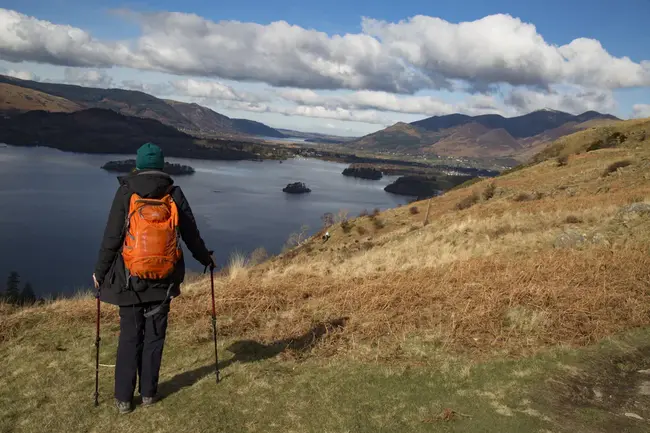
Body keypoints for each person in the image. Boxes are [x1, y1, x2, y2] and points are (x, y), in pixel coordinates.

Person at [92, 142, 215, 414]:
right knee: (154, 337)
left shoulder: (126, 192)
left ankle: (124, 400)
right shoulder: (174, 193)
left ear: (138, 164)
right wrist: (206, 259)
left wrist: (99, 273)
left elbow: (112, 238)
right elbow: (191, 234)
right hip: (163, 280)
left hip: (129, 281)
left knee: (129, 337)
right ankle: (148, 394)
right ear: (161, 165)